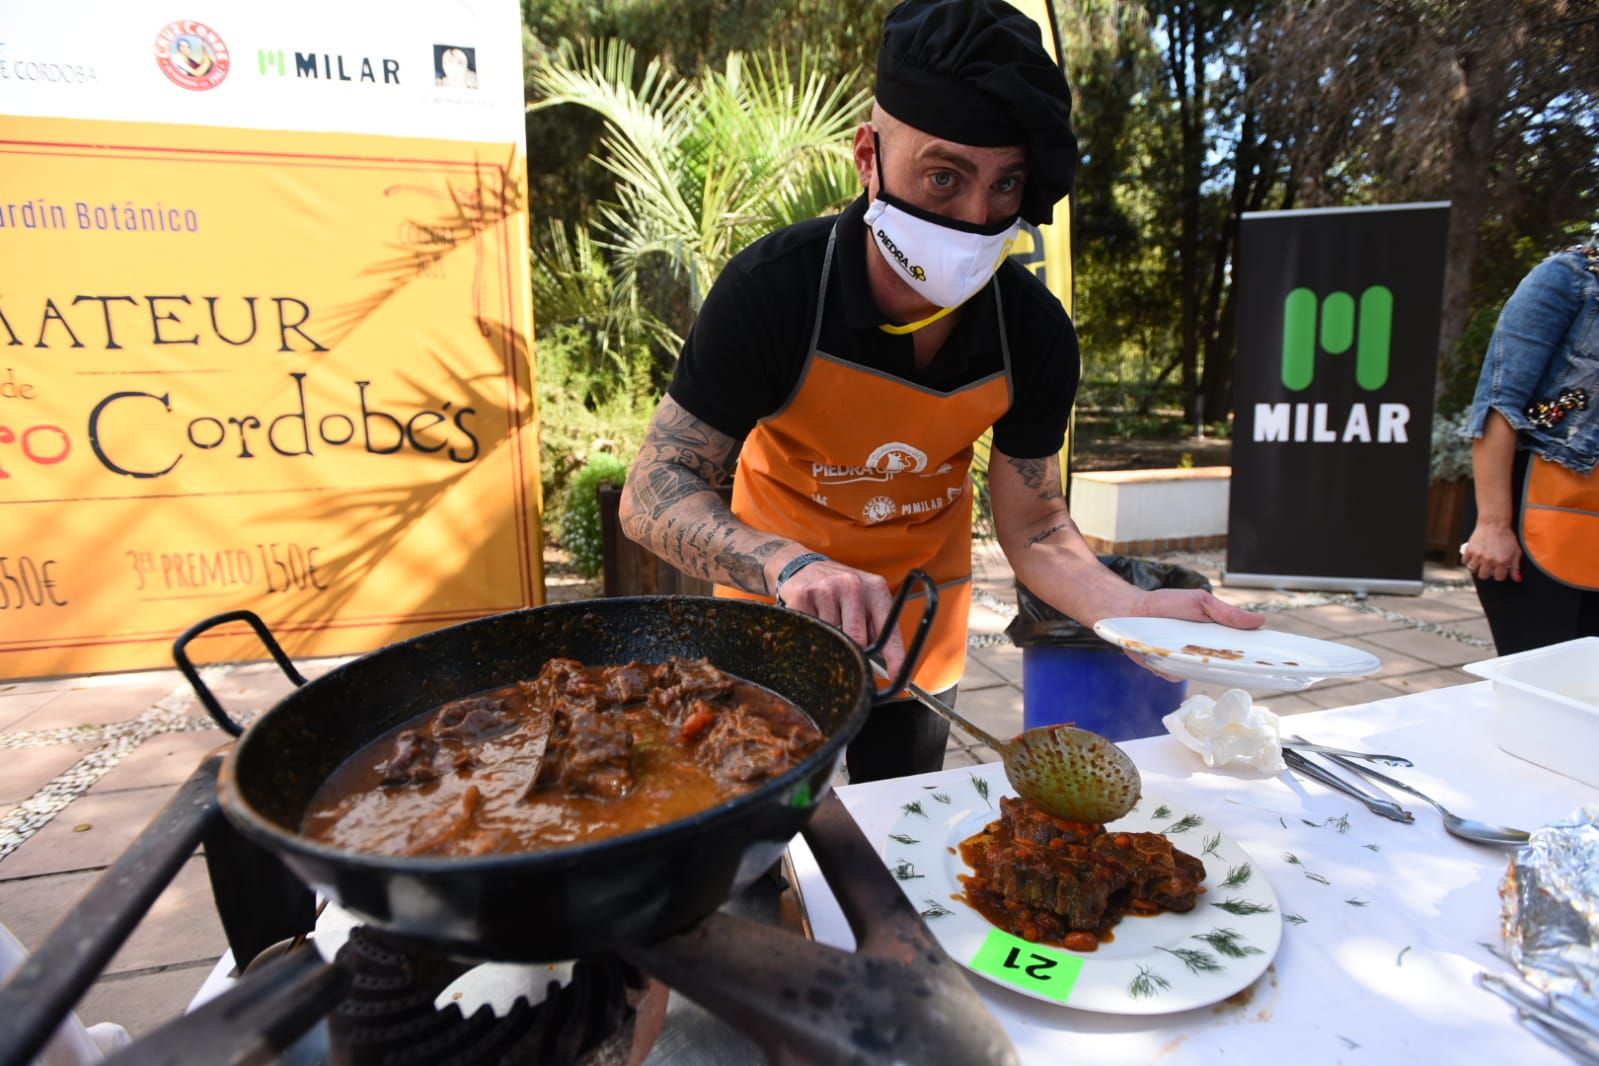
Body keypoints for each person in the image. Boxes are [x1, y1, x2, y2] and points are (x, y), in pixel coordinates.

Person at [619, 0, 1261, 782]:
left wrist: (1123, 611)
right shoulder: (776, 291)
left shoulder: (1033, 333)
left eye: (1006, 184)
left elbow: (1036, 526)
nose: (975, 215)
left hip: (923, 631)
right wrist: (789, 567)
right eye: (943, 175)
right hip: (772, 624)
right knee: (763, 855)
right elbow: (654, 491)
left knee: (900, 840)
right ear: (868, 157)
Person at [1460, 238, 1599, 654]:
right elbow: (1499, 404)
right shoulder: (1567, 278)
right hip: (1538, 513)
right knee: (1540, 687)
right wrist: (1493, 525)